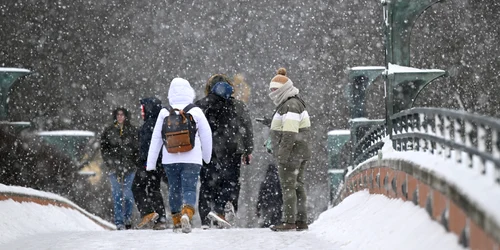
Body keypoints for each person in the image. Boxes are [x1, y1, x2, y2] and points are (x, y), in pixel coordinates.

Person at [146, 78, 212, 234]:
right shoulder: (195, 111)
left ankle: (176, 220)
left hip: (170, 157)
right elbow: (206, 135)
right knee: (189, 188)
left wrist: (151, 163)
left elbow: (156, 138)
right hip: (192, 157)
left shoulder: (164, 112)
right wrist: (206, 157)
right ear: (189, 92)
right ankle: (187, 214)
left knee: (174, 189)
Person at [195, 73, 254, 229]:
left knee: (207, 184)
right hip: (232, 149)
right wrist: (248, 150)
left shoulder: (201, 105)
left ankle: (206, 218)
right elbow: (247, 128)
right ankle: (223, 210)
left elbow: (193, 127)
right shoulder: (239, 106)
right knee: (230, 182)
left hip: (208, 151)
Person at [267, 68, 311, 232]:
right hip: (300, 151)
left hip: (292, 153)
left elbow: (290, 133)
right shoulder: (293, 102)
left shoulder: (290, 105)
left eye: (275, 89)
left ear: (283, 89)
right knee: (298, 185)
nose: (272, 92)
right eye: (271, 89)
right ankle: (301, 220)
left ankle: (289, 221)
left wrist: (282, 156)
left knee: (288, 186)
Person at [100, 107, 139, 230]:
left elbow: (137, 149)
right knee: (117, 195)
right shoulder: (109, 131)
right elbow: (104, 149)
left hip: (130, 168)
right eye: (118, 115)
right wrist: (110, 163)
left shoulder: (132, 130)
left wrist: (134, 162)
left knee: (128, 194)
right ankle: (119, 222)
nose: (120, 117)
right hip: (114, 168)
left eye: (122, 114)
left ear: (126, 116)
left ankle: (127, 218)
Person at [132, 97, 168, 230]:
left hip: (148, 163)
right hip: (159, 163)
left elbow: (147, 146)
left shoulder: (149, 125)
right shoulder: (161, 122)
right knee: (154, 189)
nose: (141, 112)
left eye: (143, 109)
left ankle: (147, 212)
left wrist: (145, 161)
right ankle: (161, 219)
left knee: (137, 188)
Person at [256, 164, 282, 228]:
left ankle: (267, 225)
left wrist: (258, 205)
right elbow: (281, 192)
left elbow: (261, 194)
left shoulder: (265, 180)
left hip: (266, 202)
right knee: (276, 218)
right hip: (276, 202)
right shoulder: (278, 180)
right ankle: (275, 224)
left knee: (267, 218)